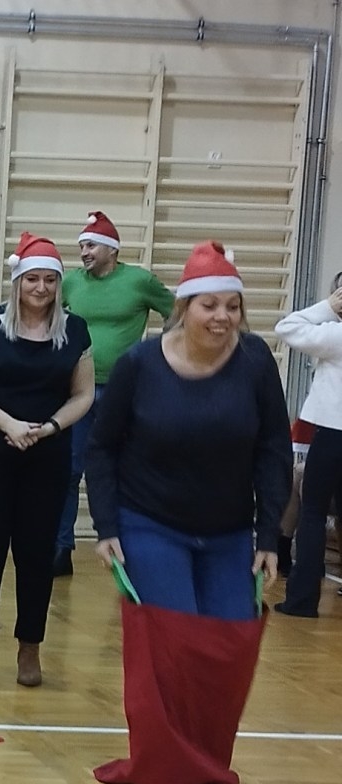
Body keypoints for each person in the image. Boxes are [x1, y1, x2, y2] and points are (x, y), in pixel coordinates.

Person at [87, 241, 292, 619]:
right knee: (176, 637)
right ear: (184, 308)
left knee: (227, 640)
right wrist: (106, 526)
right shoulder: (138, 365)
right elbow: (102, 447)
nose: (222, 317)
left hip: (229, 530)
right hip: (150, 523)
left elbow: (274, 447)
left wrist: (268, 535)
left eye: (233, 306)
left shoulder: (256, 360)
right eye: (209, 305)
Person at [0, 235, 94, 685]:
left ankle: (30, 647)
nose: (41, 287)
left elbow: (83, 394)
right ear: (17, 281)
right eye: (33, 278)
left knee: (36, 553)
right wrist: (8, 424)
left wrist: (49, 427)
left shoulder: (75, 330)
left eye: (50, 279)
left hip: (46, 454)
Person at [55, 211, 177, 575]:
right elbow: (49, 319)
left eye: (91, 245)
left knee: (122, 470)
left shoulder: (139, 281)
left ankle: (125, 545)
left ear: (112, 249)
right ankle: (60, 547)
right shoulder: (71, 283)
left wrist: (160, 353)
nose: (84, 252)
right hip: (77, 389)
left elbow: (177, 312)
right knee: (68, 469)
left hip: (124, 391)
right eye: (81, 246)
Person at [267, 279, 342, 617]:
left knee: (312, 511)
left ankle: (302, 600)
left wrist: (328, 307)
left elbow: (287, 326)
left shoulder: (335, 336)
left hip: (334, 432)